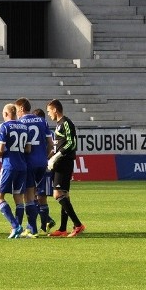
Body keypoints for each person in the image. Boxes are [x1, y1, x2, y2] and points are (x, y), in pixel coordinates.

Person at [46, 99, 86, 237]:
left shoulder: (66, 123)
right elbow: (59, 144)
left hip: (64, 162)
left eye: (49, 111)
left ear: (55, 110)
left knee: (57, 194)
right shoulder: (58, 125)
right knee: (65, 194)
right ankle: (63, 229)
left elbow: (71, 143)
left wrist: (57, 156)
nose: (49, 114)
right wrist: (51, 156)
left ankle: (78, 224)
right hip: (60, 162)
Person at [0, 104, 32, 239]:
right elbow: (28, 149)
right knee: (18, 199)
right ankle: (18, 229)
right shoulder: (24, 127)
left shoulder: (4, 126)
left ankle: (16, 226)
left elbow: (1, 148)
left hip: (9, 165)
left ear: (5, 114)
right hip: (22, 166)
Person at [15, 97, 53, 236]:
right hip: (42, 163)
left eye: (16, 109)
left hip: (28, 163)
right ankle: (41, 225)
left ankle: (32, 229)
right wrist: (45, 156)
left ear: (20, 109)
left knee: (28, 196)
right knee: (38, 194)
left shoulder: (20, 122)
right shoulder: (42, 121)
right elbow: (50, 143)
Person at [33, 108, 57, 234]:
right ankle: (45, 222)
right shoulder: (49, 131)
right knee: (41, 197)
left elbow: (52, 148)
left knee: (33, 196)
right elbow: (52, 149)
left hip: (38, 165)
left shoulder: (40, 131)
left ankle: (45, 222)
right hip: (46, 166)